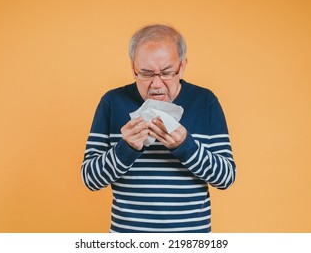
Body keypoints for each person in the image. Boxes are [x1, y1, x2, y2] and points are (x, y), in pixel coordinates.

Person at [81, 24, 236, 233]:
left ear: (182, 66)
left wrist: (186, 146)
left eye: (166, 73)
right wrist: (125, 148)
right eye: (145, 74)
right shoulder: (112, 102)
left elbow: (225, 178)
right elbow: (90, 179)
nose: (156, 84)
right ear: (133, 68)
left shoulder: (205, 102)